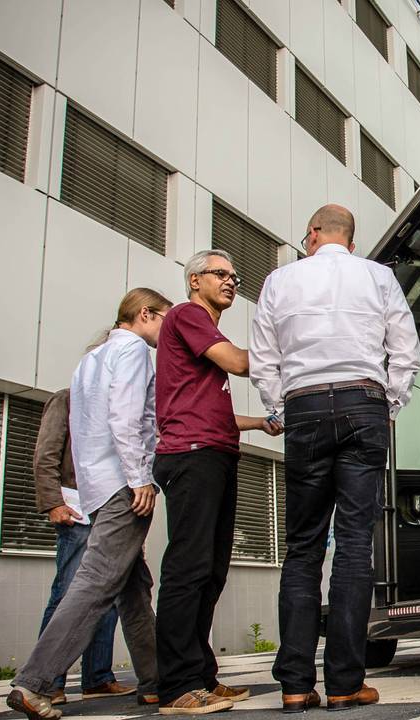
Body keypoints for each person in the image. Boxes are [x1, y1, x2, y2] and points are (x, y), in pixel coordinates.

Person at [252, 204, 420, 712]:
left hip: (303, 406)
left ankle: (294, 685)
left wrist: (280, 407)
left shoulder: (279, 281)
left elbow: (263, 359)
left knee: (303, 547)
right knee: (353, 545)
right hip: (362, 403)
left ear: (312, 235)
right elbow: (405, 349)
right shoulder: (378, 276)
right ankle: (346, 683)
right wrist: (391, 404)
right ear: (351, 241)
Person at [7, 288, 170, 720]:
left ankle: (156, 681)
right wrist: (140, 477)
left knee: (133, 588)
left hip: (97, 487)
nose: (166, 330)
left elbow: (82, 431)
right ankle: (34, 682)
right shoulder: (134, 350)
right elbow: (127, 416)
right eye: (164, 320)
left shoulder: (89, 361)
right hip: (122, 485)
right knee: (96, 582)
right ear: (145, 314)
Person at [154, 250, 281, 715]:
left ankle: (201, 676)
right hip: (192, 455)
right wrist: (292, 347)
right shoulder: (187, 315)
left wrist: (260, 423)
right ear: (194, 281)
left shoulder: (203, 331)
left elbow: (212, 409)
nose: (230, 281)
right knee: (188, 569)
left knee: (210, 572)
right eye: (220, 274)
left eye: (234, 275)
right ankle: (175, 686)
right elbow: (239, 363)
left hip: (215, 451)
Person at [32, 388, 127, 705]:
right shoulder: (67, 399)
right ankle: (47, 683)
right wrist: (52, 502)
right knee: (67, 592)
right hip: (76, 509)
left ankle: (97, 678)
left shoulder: (119, 406)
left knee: (108, 595)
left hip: (111, 511)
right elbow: (46, 452)